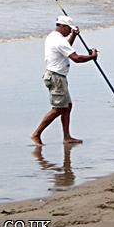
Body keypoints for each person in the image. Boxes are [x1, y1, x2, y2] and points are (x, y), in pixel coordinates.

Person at [31, 15, 98, 147]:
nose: (69, 31)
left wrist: (73, 35)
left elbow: (66, 48)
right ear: (63, 27)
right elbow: (76, 58)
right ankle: (36, 134)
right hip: (56, 78)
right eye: (69, 29)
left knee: (67, 106)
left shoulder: (53, 36)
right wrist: (92, 57)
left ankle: (67, 137)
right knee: (58, 108)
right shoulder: (59, 41)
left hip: (58, 76)